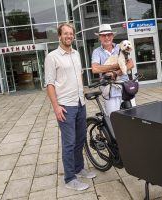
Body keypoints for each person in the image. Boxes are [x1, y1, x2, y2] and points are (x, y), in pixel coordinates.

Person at [44, 23, 96, 191]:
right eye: (65, 33)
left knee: (80, 139)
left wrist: (83, 94)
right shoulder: (52, 57)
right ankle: (69, 178)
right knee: (69, 143)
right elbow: (49, 84)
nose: (69, 36)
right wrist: (56, 107)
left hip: (80, 103)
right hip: (65, 106)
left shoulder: (76, 54)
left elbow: (79, 75)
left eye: (71, 33)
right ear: (59, 36)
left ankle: (78, 168)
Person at [91, 24, 135, 116]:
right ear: (99, 37)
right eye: (103, 35)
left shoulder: (121, 47)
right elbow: (95, 69)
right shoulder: (97, 52)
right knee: (114, 119)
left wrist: (115, 73)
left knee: (133, 117)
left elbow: (130, 64)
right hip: (110, 91)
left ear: (113, 36)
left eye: (109, 35)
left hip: (126, 88)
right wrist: (116, 66)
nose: (107, 38)